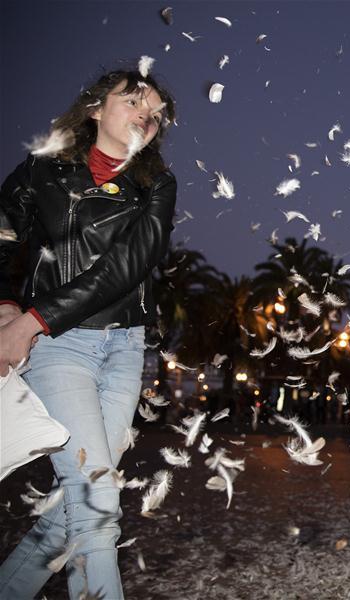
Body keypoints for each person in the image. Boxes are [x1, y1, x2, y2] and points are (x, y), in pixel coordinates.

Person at [0, 68, 177, 598]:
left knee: (72, 506)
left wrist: (32, 317)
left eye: (155, 113)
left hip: (125, 350)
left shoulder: (157, 183)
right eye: (134, 101)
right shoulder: (43, 171)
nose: (146, 114)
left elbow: (129, 265)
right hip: (59, 346)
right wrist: (8, 306)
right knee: (97, 503)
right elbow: (3, 237)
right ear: (96, 108)